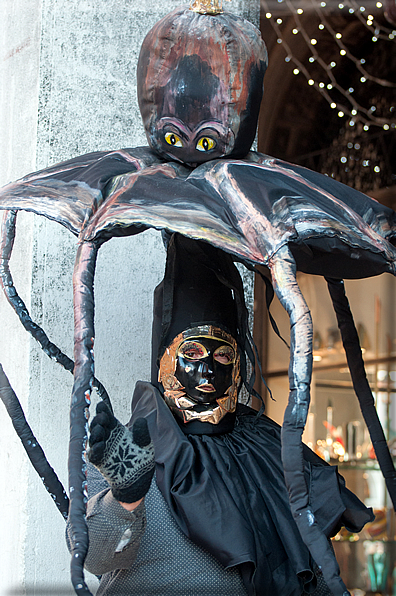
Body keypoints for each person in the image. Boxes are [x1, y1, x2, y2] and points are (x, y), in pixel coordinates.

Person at [67, 234, 374, 596]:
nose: (208, 372)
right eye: (192, 353)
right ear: (164, 360)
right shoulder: (126, 446)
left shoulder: (268, 448)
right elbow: (97, 557)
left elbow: (305, 568)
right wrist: (125, 497)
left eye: (223, 356)